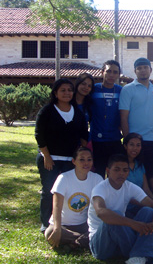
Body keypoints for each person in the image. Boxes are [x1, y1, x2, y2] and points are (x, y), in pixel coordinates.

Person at [88, 154, 153, 264]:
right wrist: (132, 223)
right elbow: (101, 212)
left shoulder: (129, 187)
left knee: (148, 211)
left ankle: (140, 254)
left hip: (120, 241)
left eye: (125, 170)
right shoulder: (100, 189)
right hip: (100, 245)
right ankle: (145, 252)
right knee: (115, 215)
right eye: (116, 170)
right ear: (108, 171)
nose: (121, 174)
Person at [35, 78, 89, 232]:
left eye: (70, 90)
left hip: (70, 160)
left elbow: (84, 134)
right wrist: (47, 156)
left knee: (67, 191)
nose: (67, 93)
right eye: (63, 90)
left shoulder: (77, 113)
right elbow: (39, 135)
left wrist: (80, 155)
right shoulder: (47, 111)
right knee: (48, 190)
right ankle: (46, 223)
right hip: (50, 159)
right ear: (56, 93)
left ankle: (64, 221)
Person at [45, 147, 103, 249]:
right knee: (49, 232)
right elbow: (57, 206)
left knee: (103, 229)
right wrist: (57, 229)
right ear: (74, 161)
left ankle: (76, 243)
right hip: (63, 225)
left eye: (89, 159)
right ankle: (83, 241)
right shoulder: (63, 178)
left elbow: (100, 206)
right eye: (82, 159)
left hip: (84, 224)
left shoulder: (97, 179)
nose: (86, 163)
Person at [120, 57, 153, 177]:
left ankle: (151, 196)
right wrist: (128, 140)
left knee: (152, 173)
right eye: (139, 68)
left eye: (145, 68)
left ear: (150, 70)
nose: (143, 70)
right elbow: (123, 117)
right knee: (134, 174)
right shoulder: (128, 89)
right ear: (135, 71)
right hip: (135, 140)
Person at [91, 60, 123, 178]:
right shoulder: (93, 90)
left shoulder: (121, 91)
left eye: (115, 72)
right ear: (102, 72)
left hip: (114, 140)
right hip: (97, 140)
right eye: (108, 71)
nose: (111, 75)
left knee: (114, 174)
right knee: (98, 174)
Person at [122, 132, 153, 217]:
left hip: (141, 205)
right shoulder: (119, 165)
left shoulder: (140, 165)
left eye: (138, 145)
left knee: (151, 210)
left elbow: (146, 188)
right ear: (125, 146)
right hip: (124, 207)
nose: (135, 148)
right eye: (131, 145)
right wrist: (145, 203)